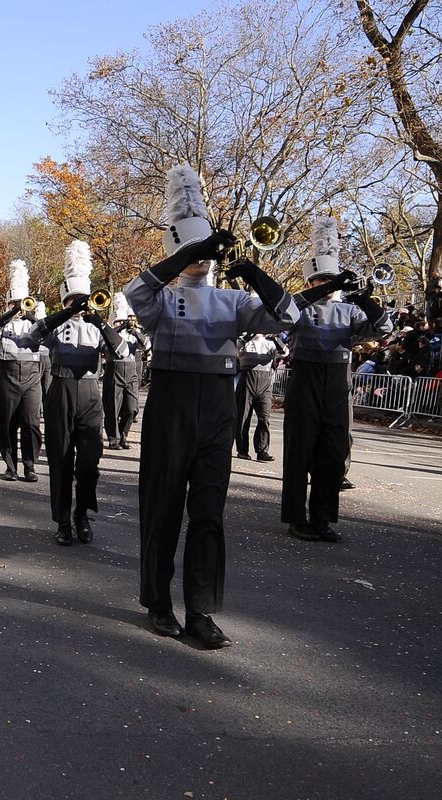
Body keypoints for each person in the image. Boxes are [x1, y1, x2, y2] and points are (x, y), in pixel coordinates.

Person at [125, 164, 299, 649]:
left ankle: (201, 610)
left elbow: (289, 317)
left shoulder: (234, 301)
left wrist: (256, 273)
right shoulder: (163, 298)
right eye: (189, 253)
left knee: (208, 513)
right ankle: (158, 601)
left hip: (218, 408)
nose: (200, 262)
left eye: (203, 253)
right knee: (161, 508)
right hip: (171, 405)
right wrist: (188, 253)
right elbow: (134, 293)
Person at [281, 218, 393, 543]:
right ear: (311, 280)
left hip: (337, 381)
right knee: (299, 450)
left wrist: (362, 298)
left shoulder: (349, 311)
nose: (327, 284)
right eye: (320, 279)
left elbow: (384, 328)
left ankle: (323, 517)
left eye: (331, 280)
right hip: (305, 377)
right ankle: (295, 517)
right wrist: (322, 290)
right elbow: (280, 314)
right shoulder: (299, 308)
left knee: (333, 452)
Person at [29, 242, 127, 544]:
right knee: (60, 460)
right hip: (60, 391)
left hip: (89, 393)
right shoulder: (55, 326)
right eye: (74, 299)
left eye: (83, 300)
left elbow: (121, 352)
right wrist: (64, 313)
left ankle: (82, 512)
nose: (80, 304)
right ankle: (63, 521)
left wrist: (97, 317)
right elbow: (30, 340)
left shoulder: (98, 327)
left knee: (89, 461)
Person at [0, 261, 43, 482]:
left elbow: (45, 333)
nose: (18, 308)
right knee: (8, 423)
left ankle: (30, 465)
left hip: (32, 377)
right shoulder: (1, 324)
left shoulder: (34, 323)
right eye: (14, 303)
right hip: (8, 376)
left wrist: (30, 315)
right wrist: (10, 313)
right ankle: (10, 466)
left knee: (31, 423)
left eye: (21, 303)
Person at [103, 294, 148, 450]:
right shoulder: (110, 333)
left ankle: (123, 435)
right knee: (113, 406)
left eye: (123, 321)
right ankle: (113, 438)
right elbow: (106, 343)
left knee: (131, 408)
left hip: (131, 371)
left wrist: (134, 331)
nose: (122, 323)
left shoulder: (131, 334)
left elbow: (145, 345)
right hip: (115, 368)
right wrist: (119, 328)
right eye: (119, 321)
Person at [234, 332, 285, 461]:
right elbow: (237, 351)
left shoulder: (270, 342)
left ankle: (262, 451)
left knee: (264, 419)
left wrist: (275, 338)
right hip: (247, 381)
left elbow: (285, 353)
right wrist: (248, 337)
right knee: (243, 418)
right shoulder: (244, 340)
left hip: (265, 385)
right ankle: (242, 450)